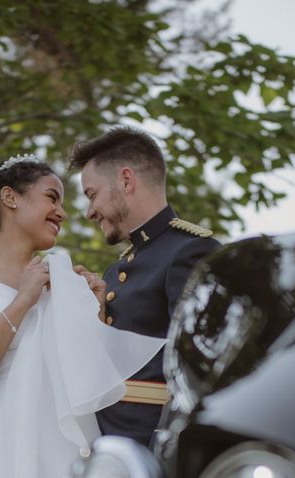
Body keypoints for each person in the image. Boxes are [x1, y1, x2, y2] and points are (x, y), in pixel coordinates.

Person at [0, 154, 165, 478]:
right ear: (10, 197)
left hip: (68, 444)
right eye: (51, 197)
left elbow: (87, 378)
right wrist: (23, 299)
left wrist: (95, 311)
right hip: (4, 441)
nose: (62, 212)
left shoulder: (61, 281)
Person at [69, 126, 221, 446]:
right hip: (109, 450)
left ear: (126, 180)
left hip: (154, 447)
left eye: (92, 194)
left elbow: (203, 368)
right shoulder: (114, 271)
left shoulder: (191, 251)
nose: (89, 212)